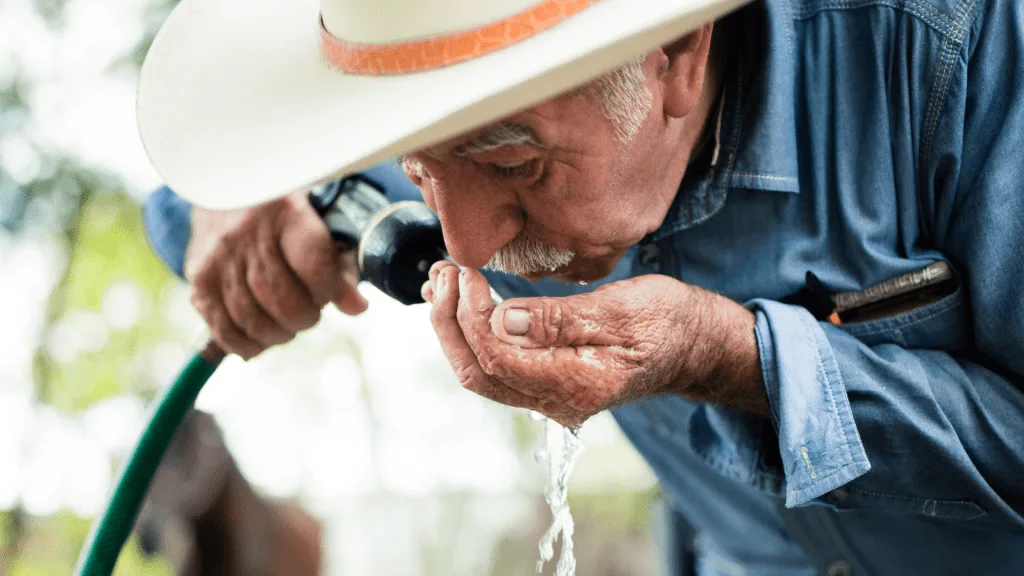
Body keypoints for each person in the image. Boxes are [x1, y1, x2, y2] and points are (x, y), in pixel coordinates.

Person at [138, 0, 1024, 573]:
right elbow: (190, 200)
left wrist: (735, 358)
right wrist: (237, 206)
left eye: (515, 164)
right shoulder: (454, 87)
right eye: (418, 167)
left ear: (675, 53)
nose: (466, 242)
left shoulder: (955, 48)